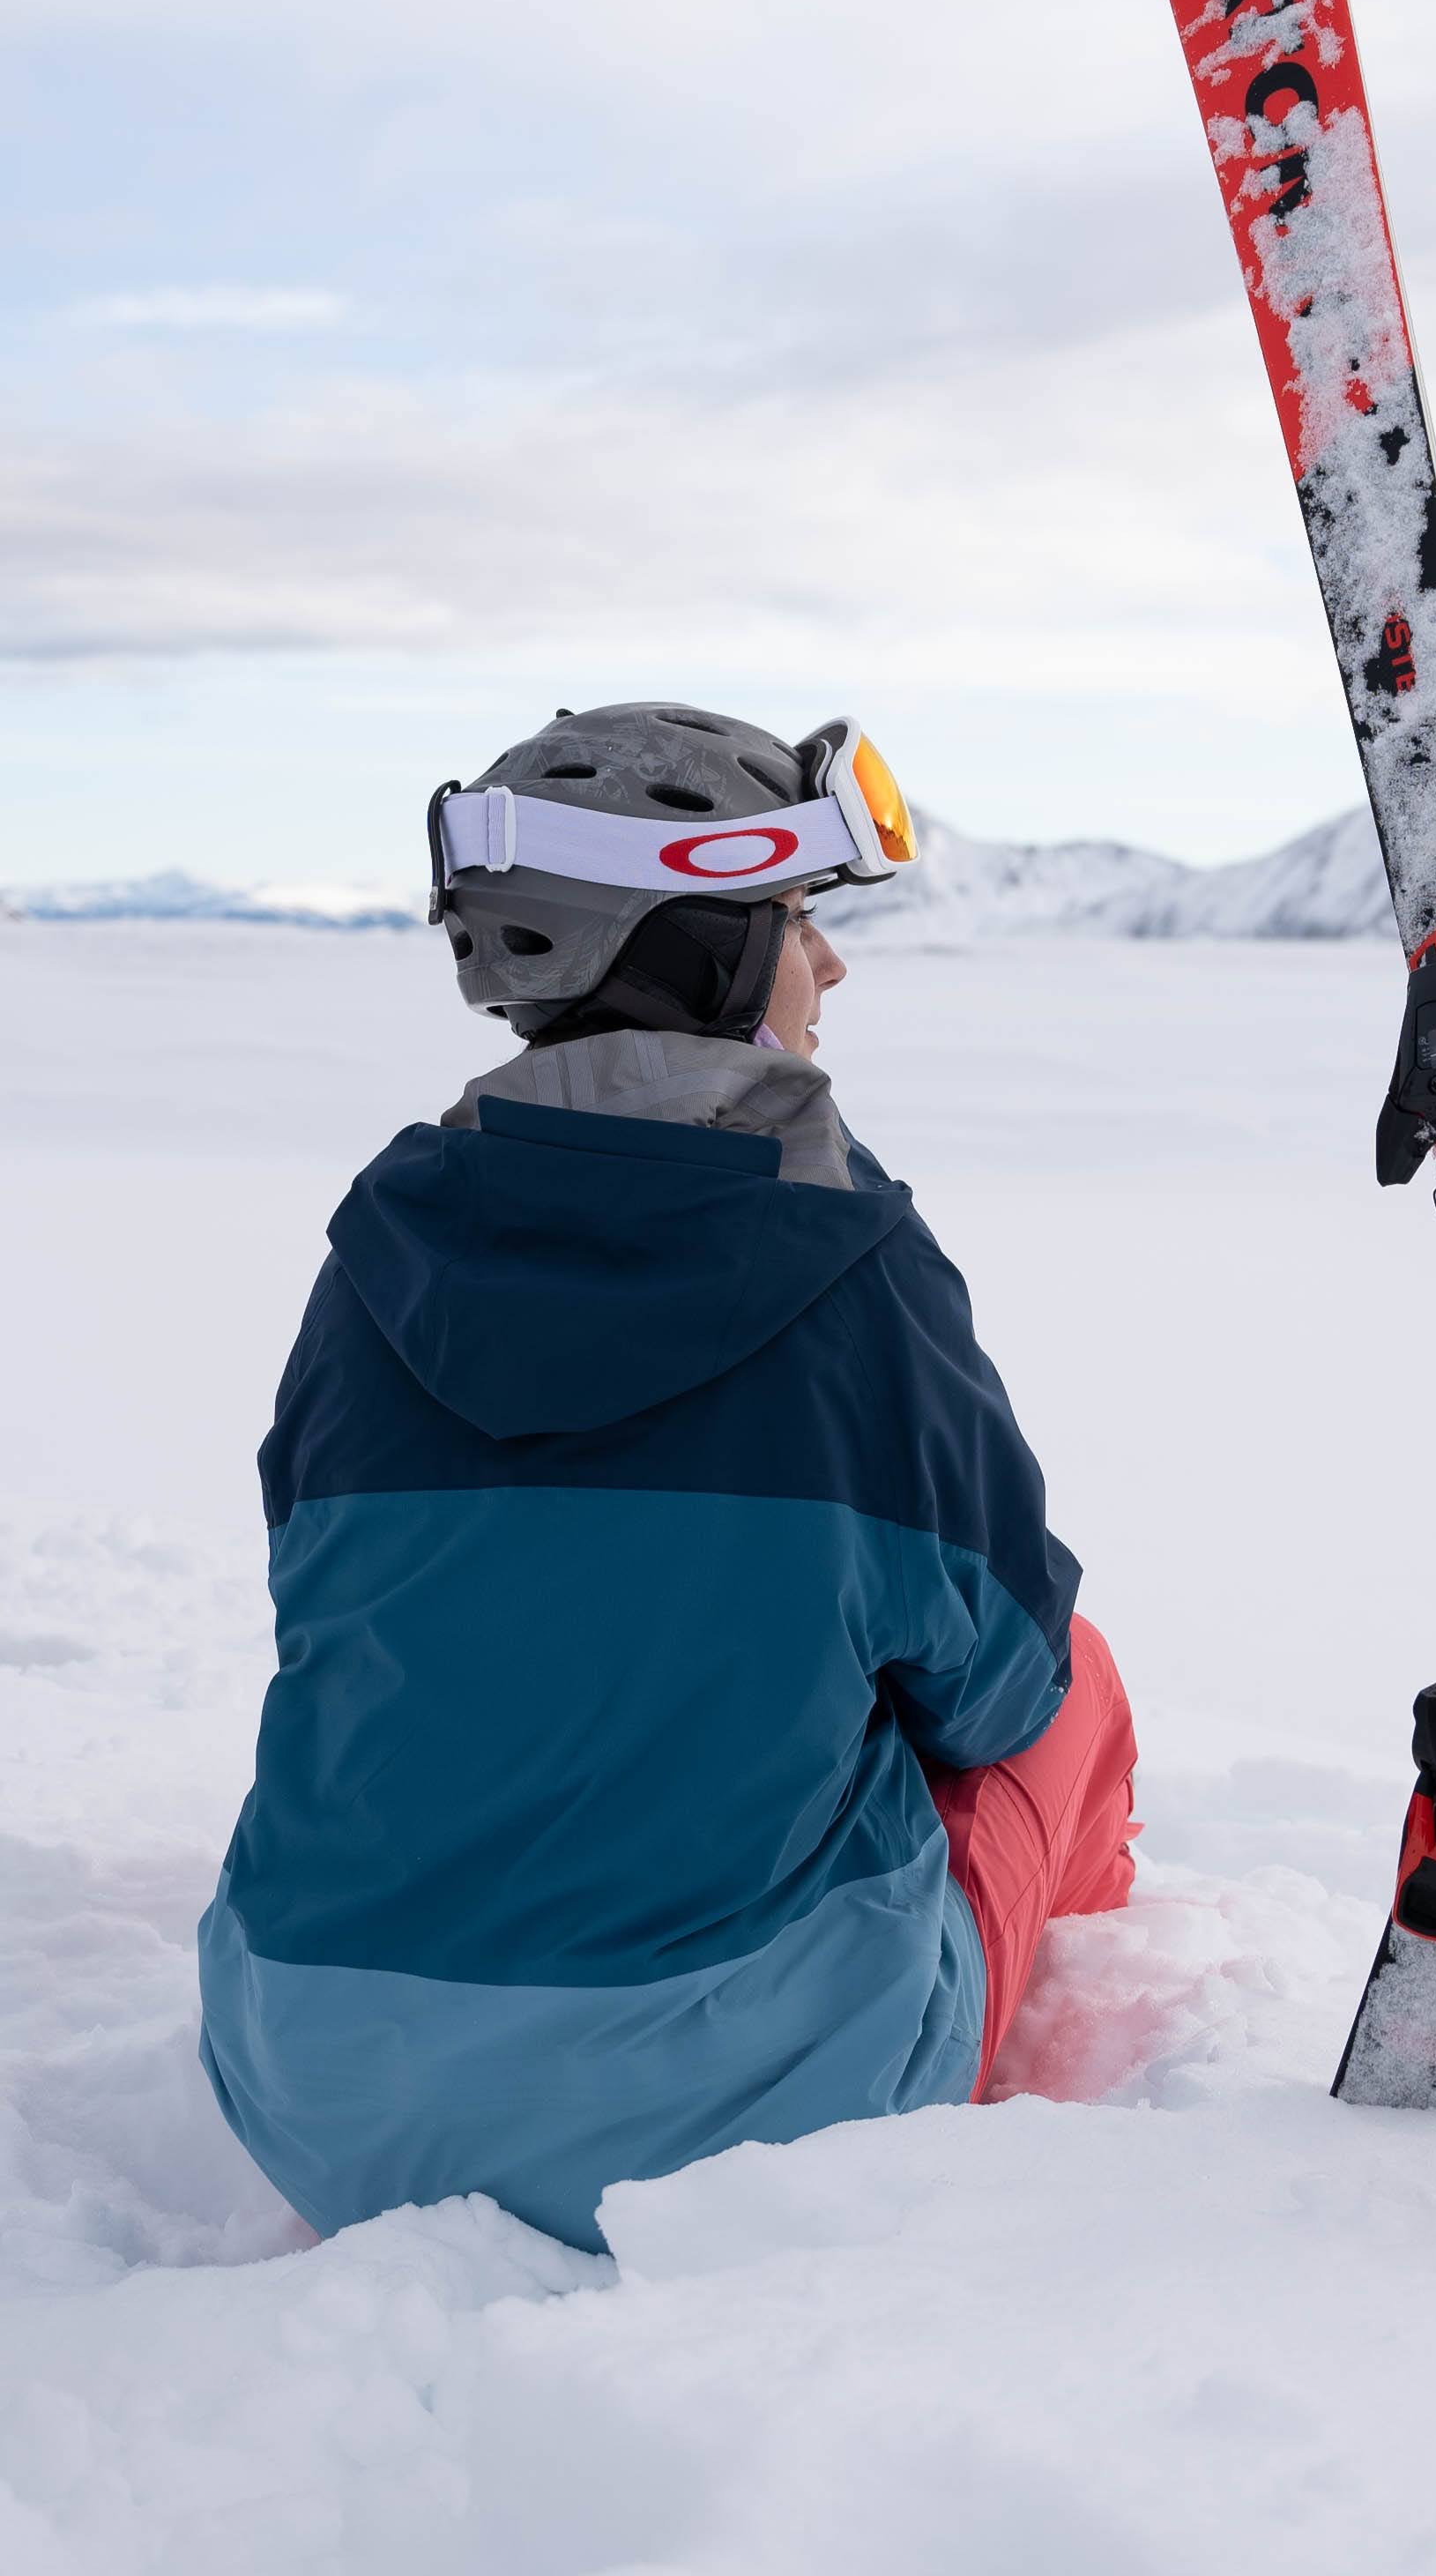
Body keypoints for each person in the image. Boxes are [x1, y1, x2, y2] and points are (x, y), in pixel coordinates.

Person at [197, 702, 1136, 2254]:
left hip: (316, 2098)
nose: (828, 967)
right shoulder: (856, 1270)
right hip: (743, 2128)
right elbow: (1002, 1694)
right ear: (697, 944)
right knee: (1075, 1673)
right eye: (794, 923)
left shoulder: (373, 1261)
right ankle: (1103, 2010)